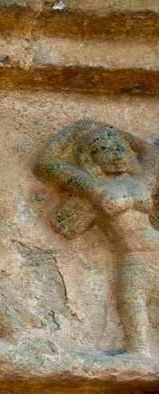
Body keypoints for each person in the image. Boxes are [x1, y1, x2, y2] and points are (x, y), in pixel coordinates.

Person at [36, 120, 159, 355]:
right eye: (101, 149)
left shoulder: (141, 182)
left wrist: (120, 132)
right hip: (135, 256)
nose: (114, 154)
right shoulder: (93, 186)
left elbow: (153, 154)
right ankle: (141, 354)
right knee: (132, 298)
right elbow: (46, 164)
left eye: (118, 148)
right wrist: (79, 128)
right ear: (89, 159)